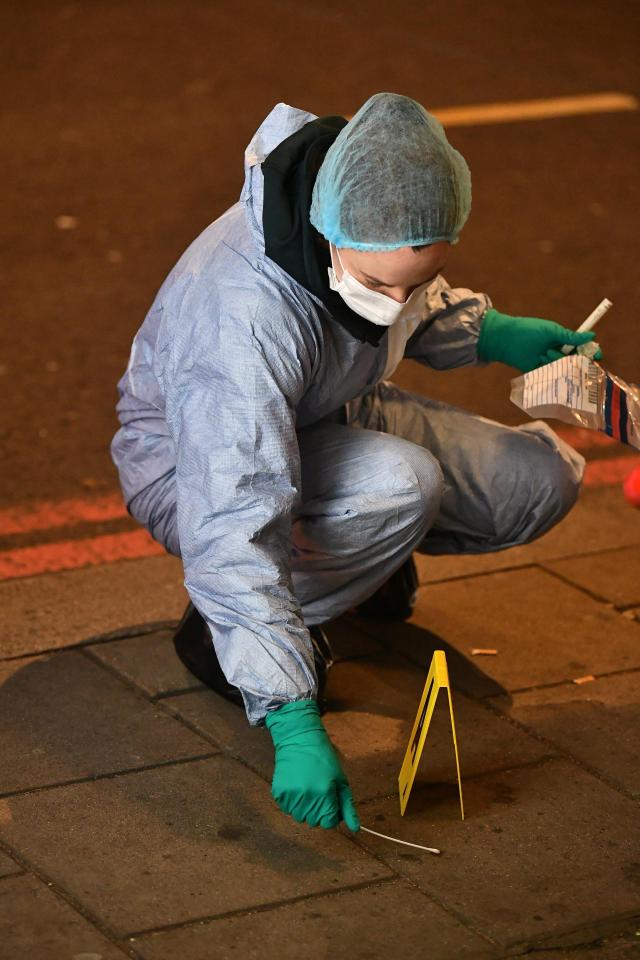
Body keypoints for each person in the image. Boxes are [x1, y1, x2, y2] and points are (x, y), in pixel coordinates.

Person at [111, 92, 599, 834]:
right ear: (327, 229)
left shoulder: (373, 221)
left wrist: (495, 332)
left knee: (538, 480)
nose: (393, 302)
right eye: (377, 286)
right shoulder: (242, 316)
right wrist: (292, 719)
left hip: (329, 414)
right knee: (402, 485)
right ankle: (227, 641)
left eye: (415, 280)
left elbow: (412, 301)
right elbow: (234, 514)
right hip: (194, 468)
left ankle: (357, 552)